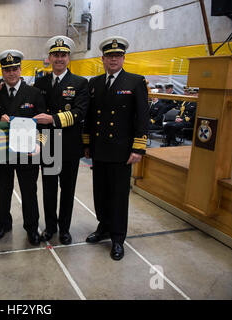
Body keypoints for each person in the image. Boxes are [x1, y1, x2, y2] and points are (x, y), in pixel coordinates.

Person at [83, 36, 149, 260]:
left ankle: (118, 238)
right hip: (100, 149)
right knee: (100, 193)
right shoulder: (95, 83)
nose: (113, 59)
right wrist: (87, 145)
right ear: (102, 58)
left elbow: (142, 117)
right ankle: (103, 228)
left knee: (119, 196)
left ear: (123, 58)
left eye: (118, 56)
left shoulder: (135, 81)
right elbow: (90, 117)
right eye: (110, 56)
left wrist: (138, 148)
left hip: (122, 151)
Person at [33, 36, 89, 245]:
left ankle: (64, 229)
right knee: (48, 190)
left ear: (68, 58)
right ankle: (50, 227)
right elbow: (34, 111)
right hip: (47, 145)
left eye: (63, 55)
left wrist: (53, 119)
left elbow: (79, 112)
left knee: (68, 190)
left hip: (69, 146)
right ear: (49, 57)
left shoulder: (80, 83)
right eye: (55, 55)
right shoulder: (40, 82)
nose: (59, 59)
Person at [0, 49, 46, 245]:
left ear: (21, 69)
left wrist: (40, 145)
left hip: (27, 154)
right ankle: (4, 224)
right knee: (4, 191)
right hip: (3, 152)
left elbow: (44, 125)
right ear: (2, 71)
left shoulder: (34, 93)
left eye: (14, 69)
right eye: (7, 70)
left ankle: (32, 228)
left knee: (29, 192)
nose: (11, 73)